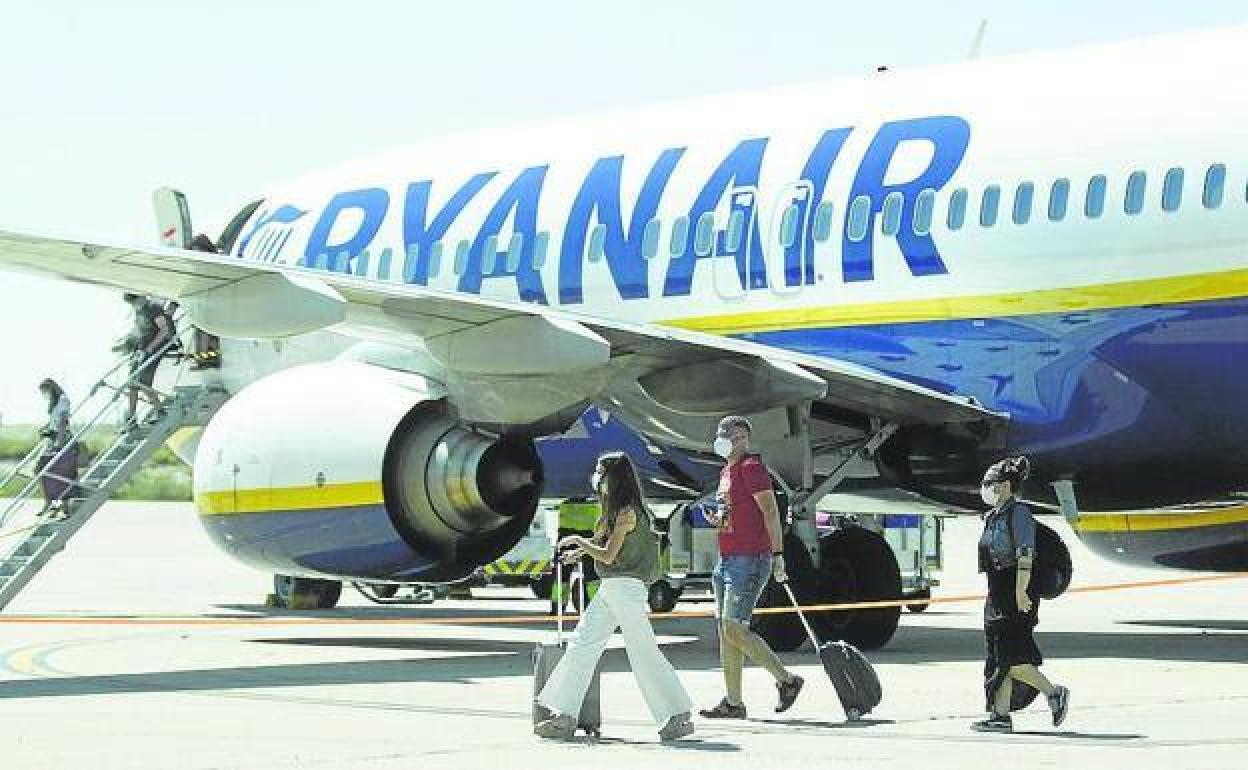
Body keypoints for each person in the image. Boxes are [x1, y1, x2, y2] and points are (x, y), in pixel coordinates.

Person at [535, 452, 695, 742]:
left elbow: (608, 555)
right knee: (582, 645)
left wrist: (578, 541)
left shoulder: (627, 514)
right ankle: (565, 714)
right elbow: (604, 545)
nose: (596, 477)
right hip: (612, 588)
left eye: (600, 471)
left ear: (614, 476)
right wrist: (580, 551)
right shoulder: (617, 512)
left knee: (643, 653)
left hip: (626, 588)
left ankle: (678, 714)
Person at [699, 415, 804, 720]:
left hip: (750, 559)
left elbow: (770, 511)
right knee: (726, 632)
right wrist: (720, 521)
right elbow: (735, 513)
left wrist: (778, 554)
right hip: (727, 558)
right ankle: (733, 702)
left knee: (734, 628)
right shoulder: (726, 471)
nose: (719, 437)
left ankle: (787, 680)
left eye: (725, 433)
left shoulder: (751, 468)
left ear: (741, 438)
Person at [972, 456, 1071, 733]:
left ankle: (1054, 693)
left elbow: (1025, 553)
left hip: (1016, 589)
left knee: (1012, 658)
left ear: (1004, 486)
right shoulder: (993, 517)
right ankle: (1000, 716)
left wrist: (1020, 591)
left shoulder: (1019, 514)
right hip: (996, 590)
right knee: (997, 658)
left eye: (990, 484)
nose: (986, 488)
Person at [119, 292, 175, 429]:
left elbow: (164, 330)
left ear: (140, 297)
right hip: (141, 349)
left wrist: (150, 348)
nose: (133, 305)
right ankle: (131, 417)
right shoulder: (139, 311)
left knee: (143, 382)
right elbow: (138, 331)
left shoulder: (153, 308)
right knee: (132, 383)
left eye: (134, 301)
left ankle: (160, 410)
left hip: (153, 348)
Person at [34, 378, 76, 518]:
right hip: (52, 440)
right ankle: (49, 501)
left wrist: (60, 443)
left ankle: (64, 507)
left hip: (62, 440)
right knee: (39, 469)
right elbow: (54, 421)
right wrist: (45, 428)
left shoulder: (63, 400)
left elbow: (63, 422)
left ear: (50, 389)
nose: (44, 395)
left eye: (44, 392)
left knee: (62, 473)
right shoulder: (53, 402)